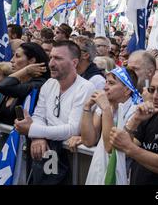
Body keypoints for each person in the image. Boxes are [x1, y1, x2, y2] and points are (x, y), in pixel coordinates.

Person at [14, 41, 96, 184]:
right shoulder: (49, 83)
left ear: (74, 62)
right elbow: (39, 115)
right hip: (49, 156)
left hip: (72, 161)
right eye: (51, 57)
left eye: (58, 58)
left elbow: (73, 129)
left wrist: (33, 130)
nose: (51, 63)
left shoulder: (85, 88)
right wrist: (38, 136)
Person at [73, 67, 141, 185]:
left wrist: (106, 110)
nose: (105, 87)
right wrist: (87, 107)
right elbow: (88, 140)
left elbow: (110, 147)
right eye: (106, 82)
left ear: (127, 90)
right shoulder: (105, 107)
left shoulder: (136, 111)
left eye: (111, 83)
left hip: (122, 174)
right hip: (99, 169)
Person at [0, 43, 50, 140]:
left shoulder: (38, 85)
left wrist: (26, 70)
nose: (12, 60)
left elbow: (3, 86)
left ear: (32, 61)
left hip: (25, 146)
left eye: (17, 56)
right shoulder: (16, 84)